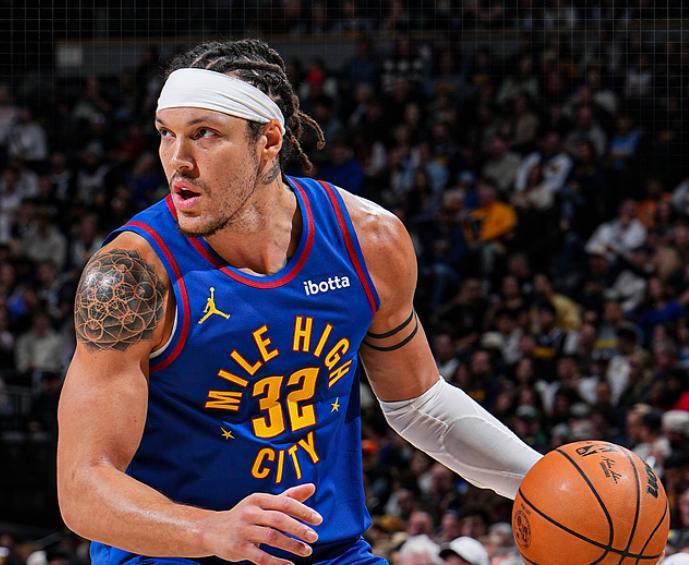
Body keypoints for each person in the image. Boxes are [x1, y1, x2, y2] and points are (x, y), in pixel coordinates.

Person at [57, 39, 541, 565]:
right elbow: (83, 485)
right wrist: (210, 530)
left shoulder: (368, 240)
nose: (178, 161)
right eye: (166, 134)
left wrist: (541, 480)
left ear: (268, 140)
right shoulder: (130, 277)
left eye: (204, 134)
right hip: (174, 554)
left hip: (327, 551)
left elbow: (420, 406)